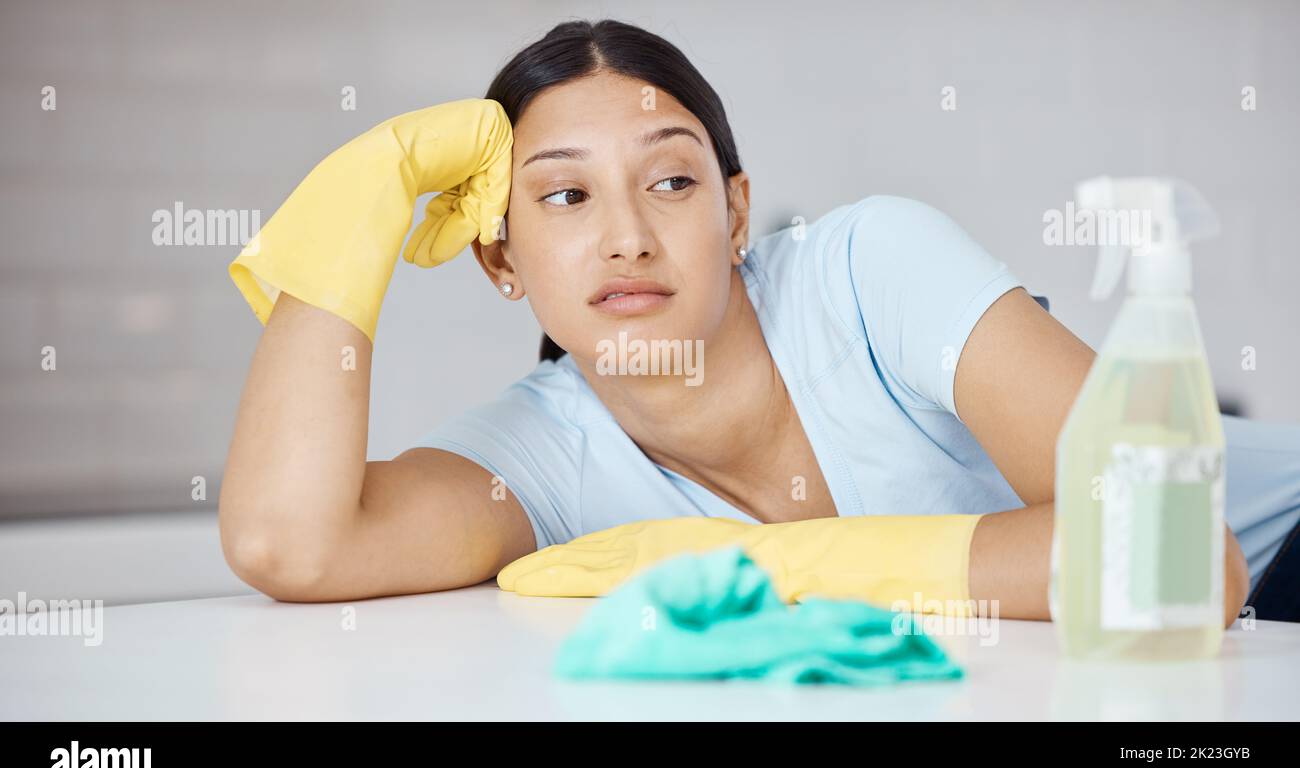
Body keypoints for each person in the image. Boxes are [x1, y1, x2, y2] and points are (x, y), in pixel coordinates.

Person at [219, 19, 1300, 623]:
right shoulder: (534, 455)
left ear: (735, 213)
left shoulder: (873, 266)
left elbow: (1178, 559)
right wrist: (362, 200)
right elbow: (287, 542)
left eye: (673, 183)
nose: (628, 236)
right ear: (500, 258)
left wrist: (776, 567)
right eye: (563, 196)